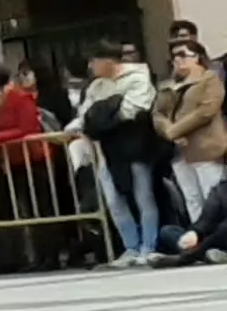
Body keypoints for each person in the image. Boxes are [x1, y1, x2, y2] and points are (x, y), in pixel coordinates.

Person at [78, 41, 168, 265]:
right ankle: (131, 246)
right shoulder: (96, 86)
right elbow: (84, 115)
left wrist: (100, 116)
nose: (90, 66)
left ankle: (148, 246)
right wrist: (105, 112)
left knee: (143, 196)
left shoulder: (138, 77)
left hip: (135, 145)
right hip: (107, 150)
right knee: (114, 200)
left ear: (108, 61)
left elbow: (132, 110)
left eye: (94, 61)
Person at [160, 42, 224, 216]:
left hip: (204, 147)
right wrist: (169, 132)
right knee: (192, 199)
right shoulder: (168, 85)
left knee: (212, 198)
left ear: (197, 57)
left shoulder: (209, 78)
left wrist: (175, 130)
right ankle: (198, 232)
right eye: (174, 56)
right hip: (179, 151)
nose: (177, 60)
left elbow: (206, 111)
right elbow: (158, 114)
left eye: (182, 55)